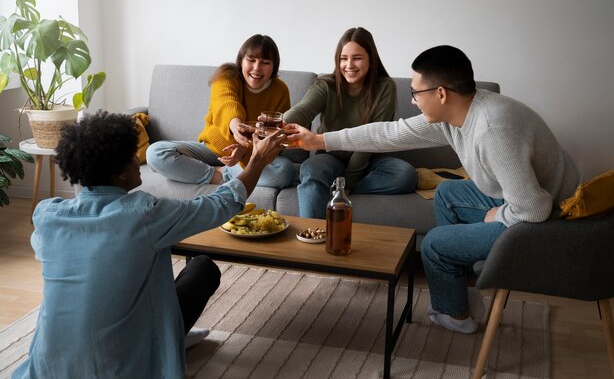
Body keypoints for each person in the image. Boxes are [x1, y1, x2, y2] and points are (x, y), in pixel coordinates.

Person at [284, 45, 581, 333]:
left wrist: (498, 214)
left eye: (415, 93)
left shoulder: (493, 130)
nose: (412, 100)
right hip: (527, 200)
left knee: (434, 243)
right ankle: (461, 297)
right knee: (448, 194)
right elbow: (390, 134)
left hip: (549, 217)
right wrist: (320, 141)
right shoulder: (457, 113)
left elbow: (534, 209)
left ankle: (454, 315)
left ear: (441, 93)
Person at [12, 111, 286, 379]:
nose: (138, 160)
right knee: (203, 269)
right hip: (126, 368)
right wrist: (258, 160)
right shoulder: (144, 215)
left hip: (48, 370)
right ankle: (170, 339)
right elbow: (222, 203)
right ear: (119, 173)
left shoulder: (47, 216)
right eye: (133, 156)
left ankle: (173, 334)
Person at [283, 27, 416, 218]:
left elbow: (372, 138)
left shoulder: (385, 87)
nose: (349, 64)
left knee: (405, 174)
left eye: (357, 58)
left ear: (371, 59)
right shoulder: (325, 84)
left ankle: (332, 187)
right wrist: (279, 123)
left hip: (369, 159)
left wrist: (349, 182)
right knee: (312, 169)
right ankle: (311, 238)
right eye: (343, 58)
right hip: (330, 157)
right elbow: (303, 110)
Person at [146, 34, 296, 189]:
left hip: (251, 156)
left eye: (265, 62)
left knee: (284, 171)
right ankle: (218, 175)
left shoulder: (280, 89)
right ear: (241, 61)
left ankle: (216, 172)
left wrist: (244, 149)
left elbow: (274, 136)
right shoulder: (226, 76)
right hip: (211, 149)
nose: (257, 68)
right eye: (251, 60)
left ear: (274, 66)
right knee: (155, 152)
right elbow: (226, 102)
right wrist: (235, 125)